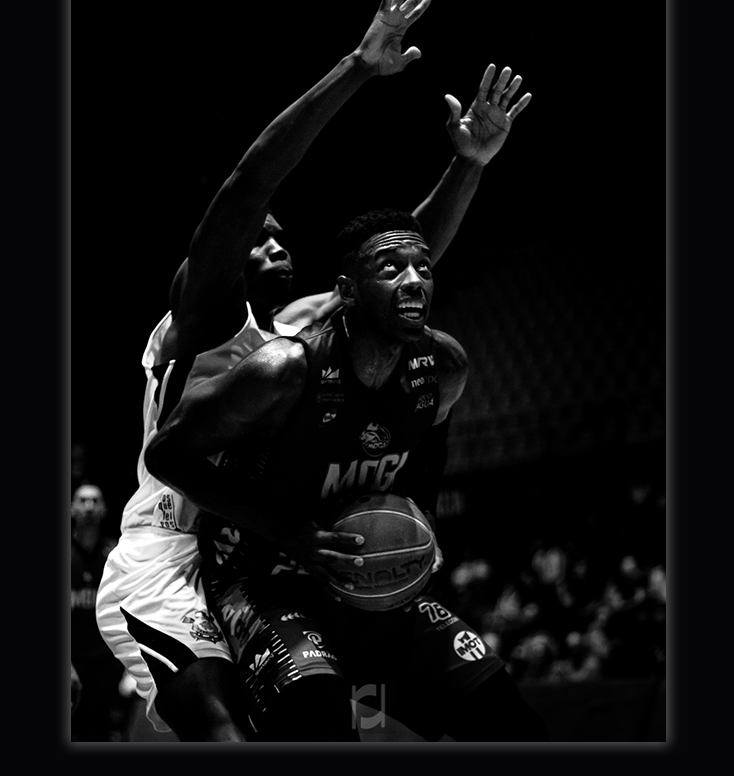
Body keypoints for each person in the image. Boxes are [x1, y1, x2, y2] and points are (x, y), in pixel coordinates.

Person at [96, 0, 531, 742]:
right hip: (172, 543)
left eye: (280, 235)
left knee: (321, 719)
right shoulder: (206, 313)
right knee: (226, 731)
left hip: (260, 552)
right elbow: (249, 181)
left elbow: (396, 267)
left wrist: (467, 165)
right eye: (258, 235)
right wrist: (358, 68)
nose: (272, 239)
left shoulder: (298, 330)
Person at [145, 208, 548, 742]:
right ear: (348, 291)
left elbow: (430, 445)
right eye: (390, 268)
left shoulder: (443, 365)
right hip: (263, 581)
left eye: (423, 267)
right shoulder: (283, 369)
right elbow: (166, 457)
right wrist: (290, 532)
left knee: (505, 715)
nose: (413, 281)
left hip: (367, 585)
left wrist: (423, 514)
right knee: (324, 719)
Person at [71, 484, 135, 741]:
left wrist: (131, 669)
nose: (88, 507)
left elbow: (133, 611)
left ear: (104, 510)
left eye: (94, 501)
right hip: (71, 662)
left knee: (102, 737)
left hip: (108, 667)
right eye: (82, 500)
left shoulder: (117, 556)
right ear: (71, 509)